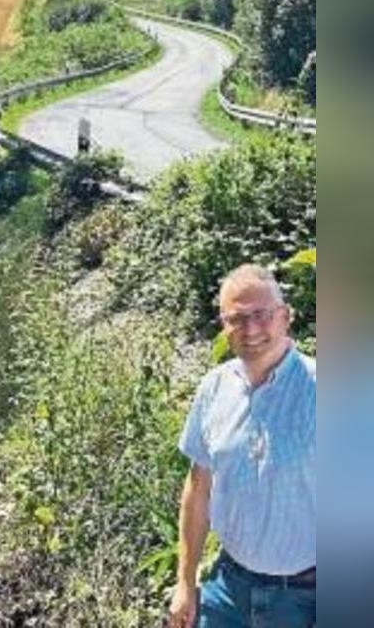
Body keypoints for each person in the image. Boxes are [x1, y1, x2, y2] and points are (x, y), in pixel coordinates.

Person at [168, 263, 315, 628]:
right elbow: (198, 488)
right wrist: (185, 582)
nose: (250, 329)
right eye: (236, 318)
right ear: (224, 326)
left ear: (285, 317)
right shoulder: (213, 389)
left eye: (261, 314)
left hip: (305, 597)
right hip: (228, 588)